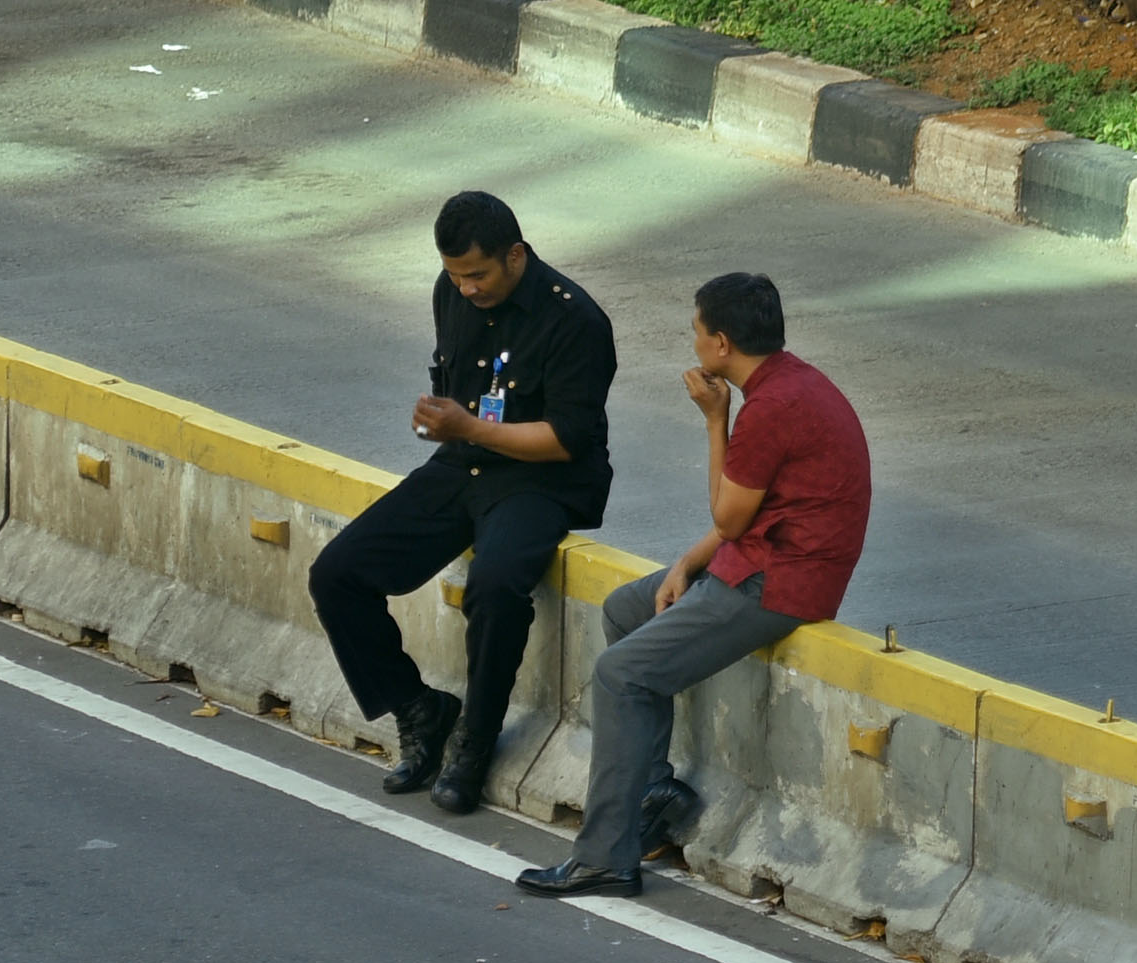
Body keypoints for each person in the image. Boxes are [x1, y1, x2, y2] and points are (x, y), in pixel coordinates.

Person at [519, 271, 871, 898]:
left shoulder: (767, 410)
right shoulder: (793, 381)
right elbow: (753, 512)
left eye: (697, 331)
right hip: (762, 554)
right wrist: (686, 563)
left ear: (721, 345)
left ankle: (604, 857)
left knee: (620, 674)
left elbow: (728, 515)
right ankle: (651, 786)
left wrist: (716, 420)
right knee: (629, 609)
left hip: (778, 581)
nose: (694, 340)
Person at [309, 190, 615, 815]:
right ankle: (421, 710)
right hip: (463, 465)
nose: (466, 289)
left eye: (477, 275)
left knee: (497, 585)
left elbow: (564, 440)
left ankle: (475, 740)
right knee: (337, 573)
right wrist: (438, 421)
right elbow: (454, 386)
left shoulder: (574, 319)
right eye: (455, 276)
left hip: (539, 481)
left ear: (515, 256)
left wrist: (468, 427)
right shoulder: (449, 291)